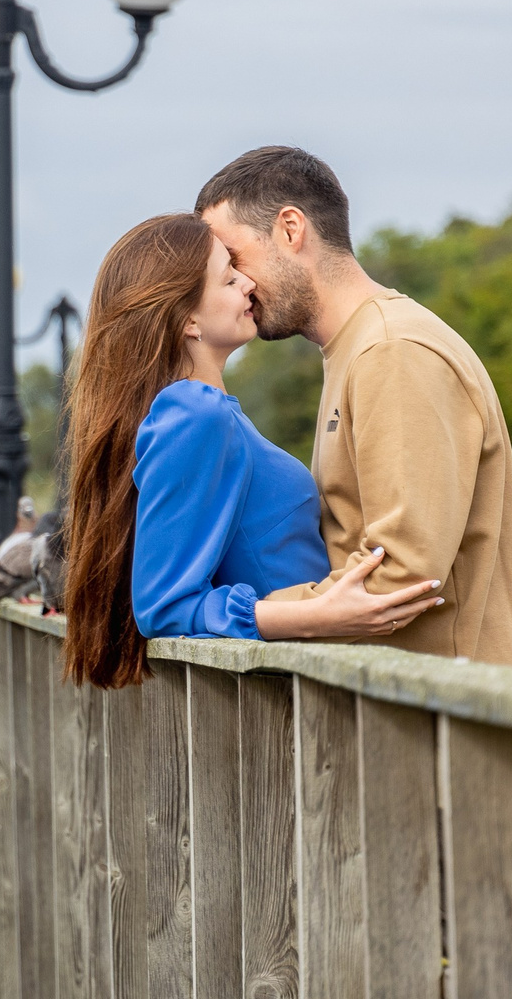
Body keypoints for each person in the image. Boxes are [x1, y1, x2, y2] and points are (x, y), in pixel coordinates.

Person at [196, 145, 512, 669]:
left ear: (290, 229)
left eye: (234, 257)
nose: (238, 283)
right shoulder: (358, 349)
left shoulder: (392, 350)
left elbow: (401, 574)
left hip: (448, 708)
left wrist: (246, 615)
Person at [60, 213, 442, 690]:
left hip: (305, 678)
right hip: (288, 689)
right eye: (229, 278)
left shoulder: (211, 413)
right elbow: (163, 606)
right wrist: (314, 614)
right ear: (189, 320)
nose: (248, 284)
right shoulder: (197, 414)